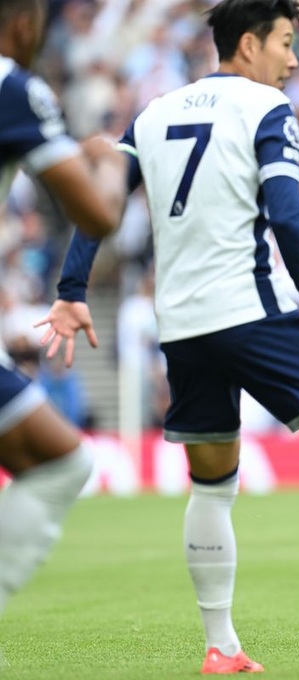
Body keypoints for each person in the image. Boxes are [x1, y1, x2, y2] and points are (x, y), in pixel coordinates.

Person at [38, 0, 299, 672]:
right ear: (250, 43)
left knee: (211, 485)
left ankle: (222, 646)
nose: (294, 59)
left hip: (182, 328)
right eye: (287, 43)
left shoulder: (154, 114)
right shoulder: (265, 109)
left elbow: (100, 205)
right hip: (251, 311)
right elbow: (287, 217)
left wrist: (70, 292)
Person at [0, 0, 126, 626]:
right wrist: (107, 161)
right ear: (25, 24)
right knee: (60, 460)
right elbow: (98, 215)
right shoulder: (13, 87)